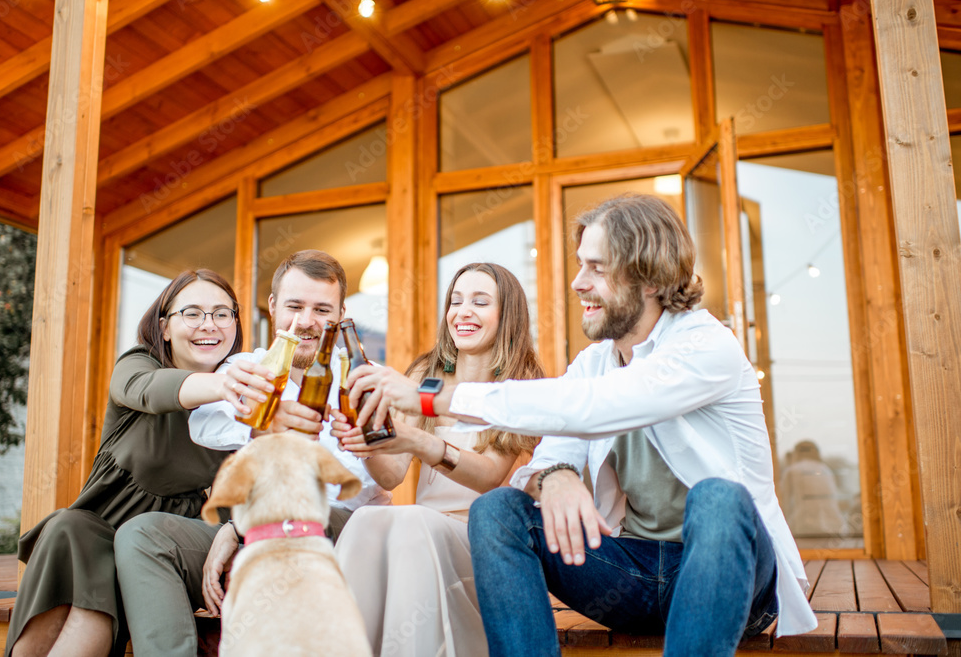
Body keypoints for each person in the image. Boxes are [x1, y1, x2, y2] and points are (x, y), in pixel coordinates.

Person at [345, 194, 817, 657]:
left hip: (733, 578)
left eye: (596, 267)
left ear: (648, 276)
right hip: (630, 573)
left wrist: (430, 398)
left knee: (717, 497)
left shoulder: (706, 345)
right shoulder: (593, 362)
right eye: (579, 265)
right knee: (498, 510)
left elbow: (598, 406)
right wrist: (558, 477)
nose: (577, 283)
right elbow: (552, 453)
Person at [111, 250, 391, 656]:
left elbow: (392, 477)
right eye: (295, 306)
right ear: (274, 306)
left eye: (321, 309)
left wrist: (238, 529)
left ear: (341, 313)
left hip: (342, 531)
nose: (306, 321)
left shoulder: (366, 377)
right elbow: (206, 425)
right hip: (256, 531)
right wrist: (265, 421)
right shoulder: (245, 368)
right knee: (142, 534)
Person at [6, 269, 246, 657]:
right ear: (165, 327)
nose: (209, 325)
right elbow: (149, 392)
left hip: (164, 544)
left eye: (222, 313)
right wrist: (227, 386)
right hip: (100, 527)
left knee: (113, 567)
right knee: (69, 526)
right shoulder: (139, 365)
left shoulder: (241, 406)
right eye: (193, 313)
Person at [331, 263, 544, 657]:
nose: (463, 311)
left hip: (483, 544)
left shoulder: (522, 384)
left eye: (480, 302)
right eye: (456, 301)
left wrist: (415, 440)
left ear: (508, 315)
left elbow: (489, 478)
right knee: (368, 517)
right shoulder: (426, 374)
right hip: (419, 534)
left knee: (411, 521)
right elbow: (392, 476)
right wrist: (368, 444)